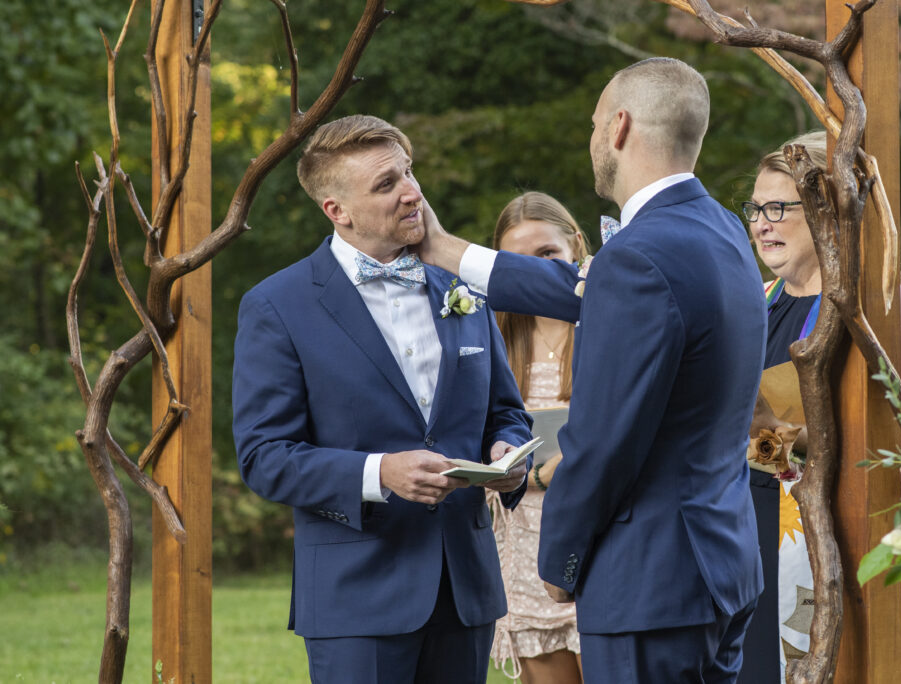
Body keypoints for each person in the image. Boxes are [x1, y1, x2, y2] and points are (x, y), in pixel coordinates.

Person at [419, 57, 767, 683]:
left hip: (650, 583)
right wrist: (444, 249)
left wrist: (561, 559)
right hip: (720, 565)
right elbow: (580, 286)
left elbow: (606, 437)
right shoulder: (721, 229)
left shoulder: (639, 255)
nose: (590, 140)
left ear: (619, 126)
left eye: (592, 124)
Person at [231, 115, 534, 684]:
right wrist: (378, 473)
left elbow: (506, 411)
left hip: (464, 588)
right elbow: (263, 456)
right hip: (357, 596)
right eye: (386, 184)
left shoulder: (462, 288)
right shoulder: (278, 306)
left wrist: (508, 455)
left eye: (408, 172)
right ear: (336, 210)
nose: (412, 192)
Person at [740, 130, 901, 682]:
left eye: (779, 207)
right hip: (745, 542)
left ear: (827, 213)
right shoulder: (756, 305)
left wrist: (772, 431)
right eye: (755, 208)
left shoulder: (879, 311)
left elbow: (897, 442)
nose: (761, 222)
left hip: (834, 544)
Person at [487, 192, 588, 684]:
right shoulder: (495, 334)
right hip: (525, 541)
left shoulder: (603, 324)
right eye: (517, 262)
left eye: (548, 256)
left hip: (597, 534)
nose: (536, 274)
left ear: (577, 247)